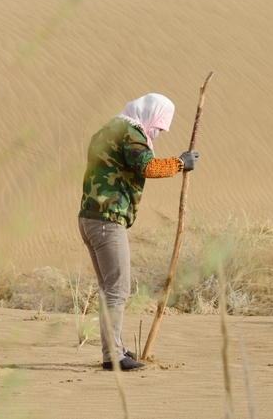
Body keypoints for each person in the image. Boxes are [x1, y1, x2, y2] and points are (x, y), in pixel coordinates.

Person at [78, 93, 198, 371]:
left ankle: (115, 348)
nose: (157, 132)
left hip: (90, 217)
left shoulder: (108, 129)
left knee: (110, 289)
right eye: (158, 126)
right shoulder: (129, 133)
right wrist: (180, 163)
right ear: (149, 116)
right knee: (117, 289)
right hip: (107, 219)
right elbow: (148, 167)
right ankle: (113, 358)